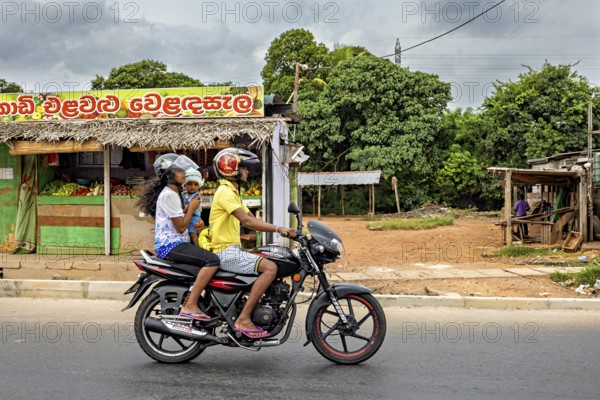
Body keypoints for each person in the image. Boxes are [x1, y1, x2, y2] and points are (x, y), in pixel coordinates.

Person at [210, 148, 296, 339]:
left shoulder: (233, 192)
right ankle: (244, 318)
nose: (248, 172)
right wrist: (279, 229)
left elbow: (251, 218)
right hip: (225, 252)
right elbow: (247, 222)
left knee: (268, 256)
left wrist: (281, 228)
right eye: (245, 168)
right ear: (231, 169)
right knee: (270, 268)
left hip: (231, 250)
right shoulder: (225, 192)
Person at [137, 153, 219, 322]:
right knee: (212, 261)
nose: (184, 173)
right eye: (179, 170)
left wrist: (197, 222)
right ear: (169, 174)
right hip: (170, 245)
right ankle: (190, 305)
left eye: (183, 170)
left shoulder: (176, 194)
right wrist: (192, 207)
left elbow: (183, 221)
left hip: (179, 242)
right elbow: (180, 226)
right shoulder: (169, 195)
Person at [182, 168, 205, 246]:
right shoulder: (183, 194)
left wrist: (184, 210)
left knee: (193, 233)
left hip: (194, 217)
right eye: (189, 184)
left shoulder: (197, 196)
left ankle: (197, 246)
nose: (192, 187)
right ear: (185, 185)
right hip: (186, 216)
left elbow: (190, 207)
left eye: (195, 184)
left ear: (199, 186)